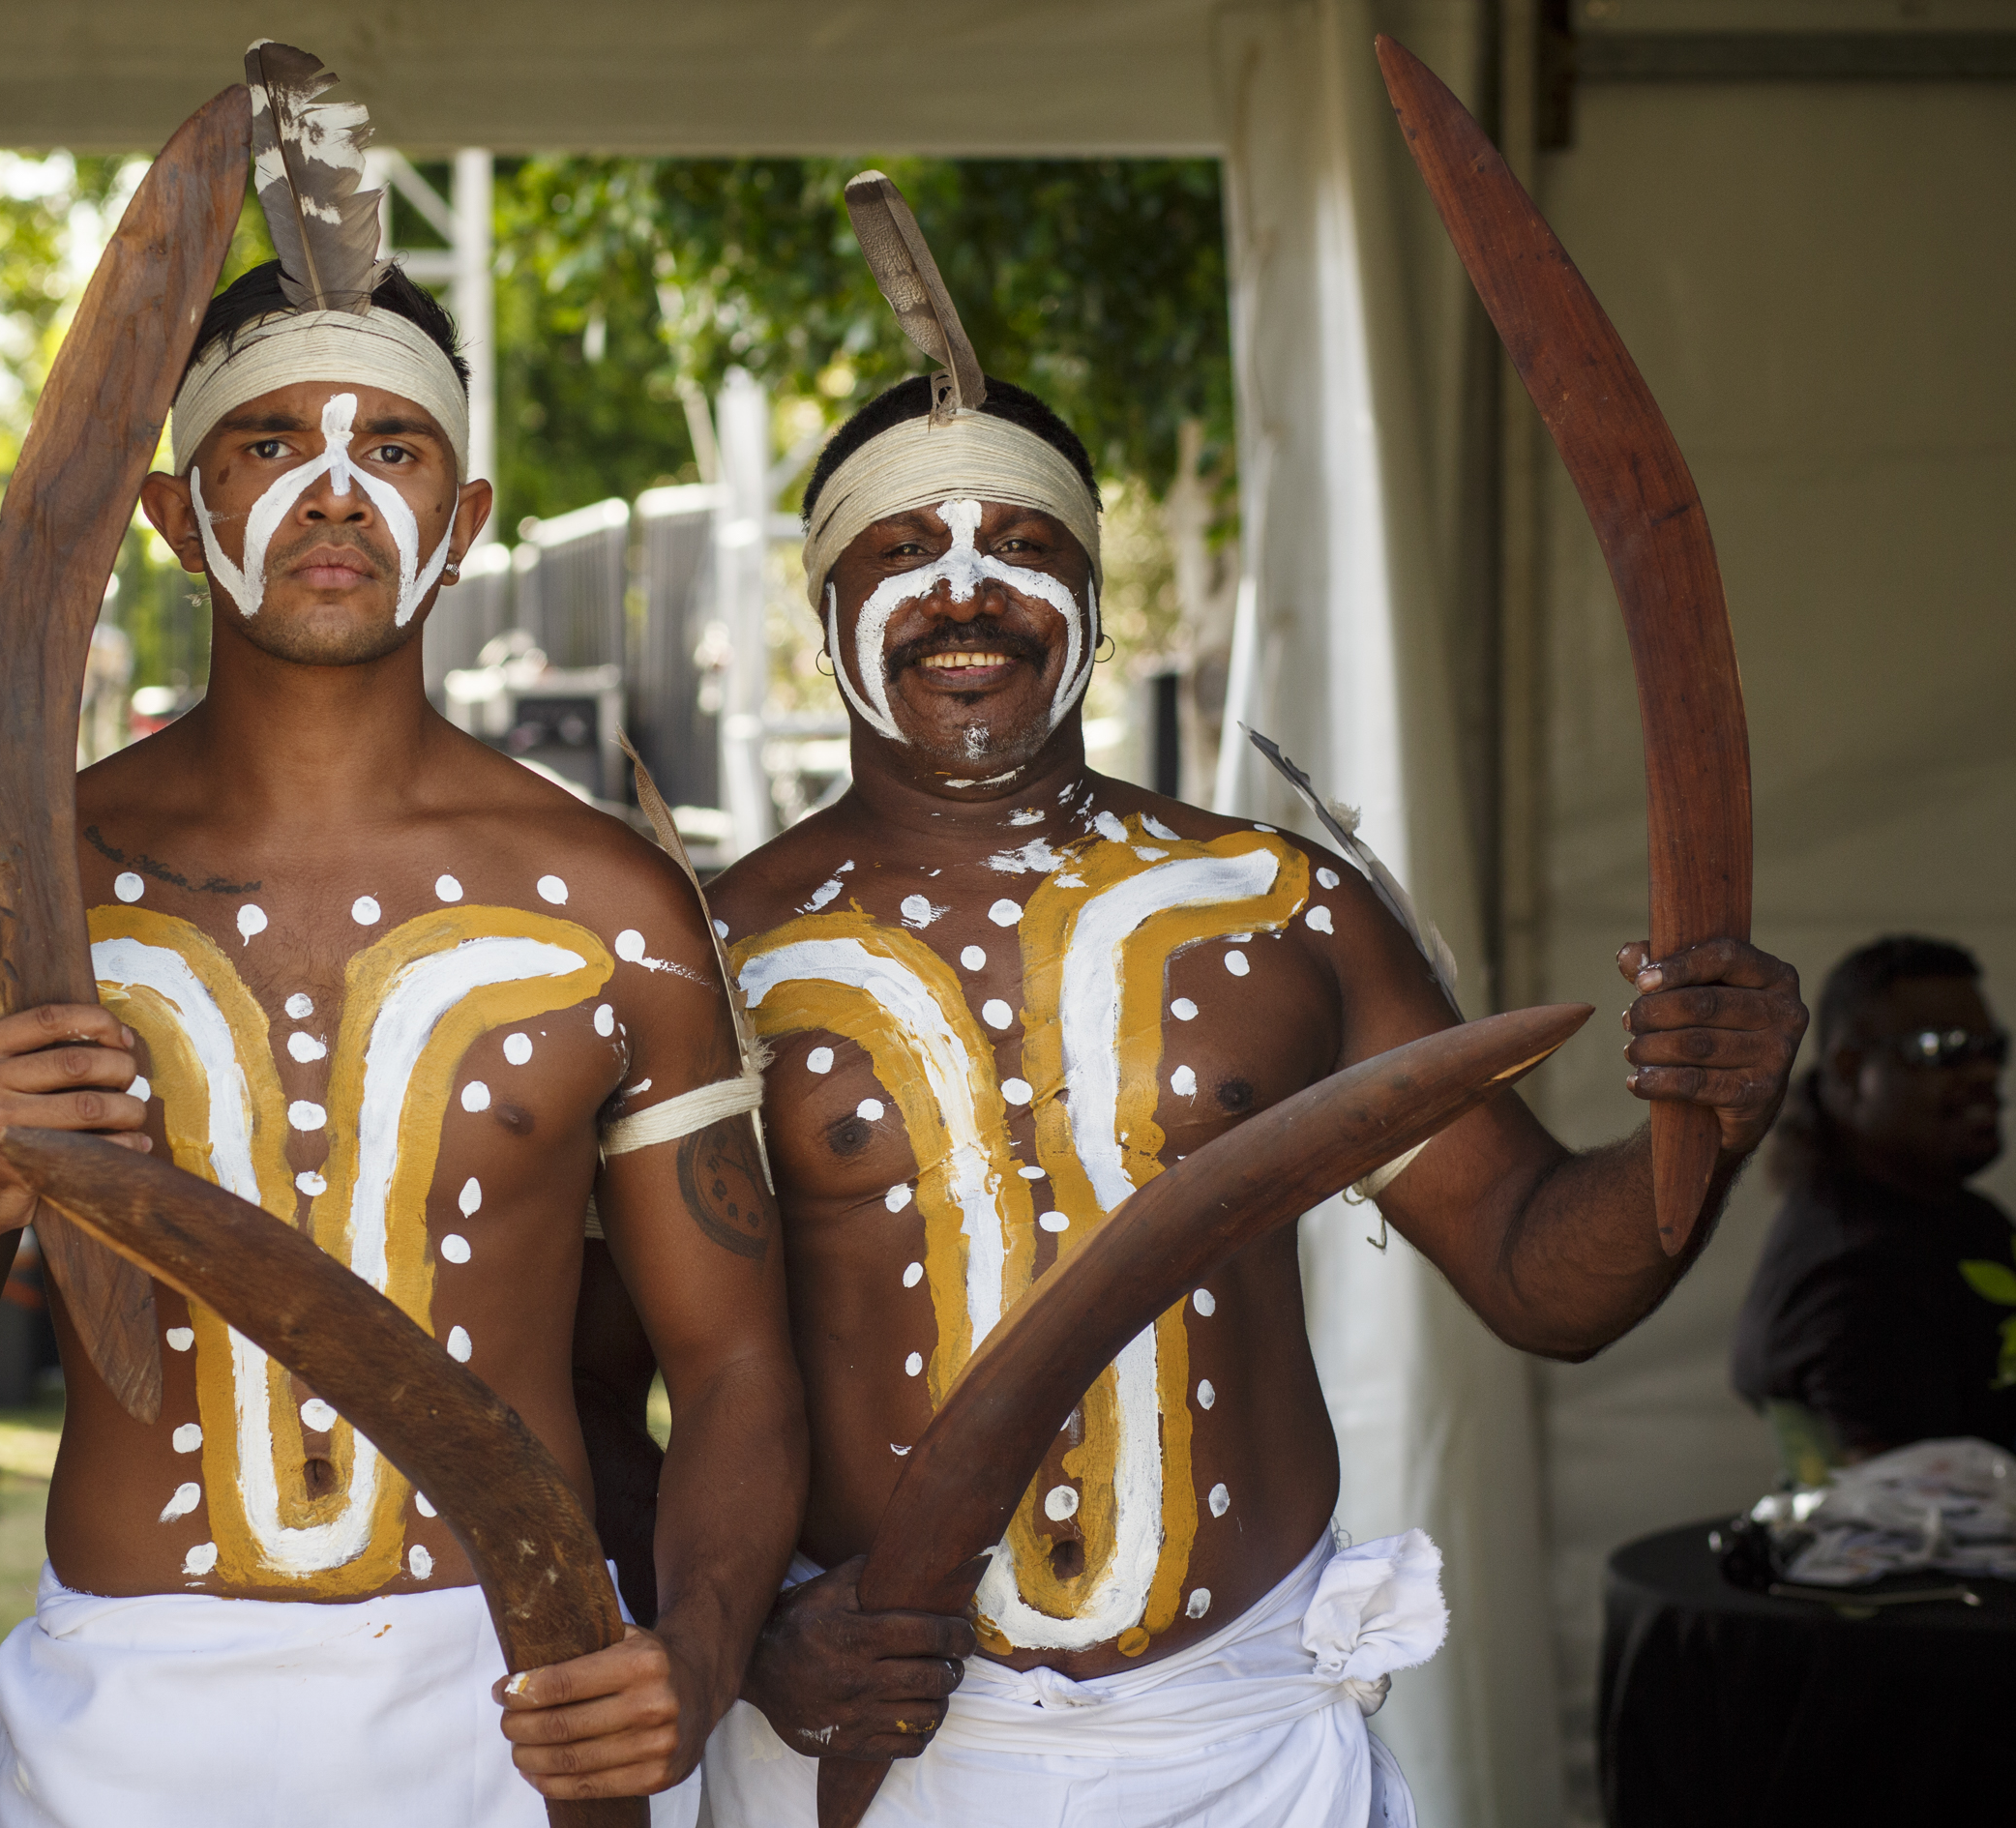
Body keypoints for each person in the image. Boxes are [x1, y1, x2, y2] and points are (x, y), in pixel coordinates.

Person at [680, 178, 1810, 1828]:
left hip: (1240, 1747)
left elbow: (1536, 1280)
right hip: (864, 1753)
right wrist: (753, 1636)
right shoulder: (708, 955)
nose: (968, 592)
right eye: (904, 550)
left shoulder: (1279, 913)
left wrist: (1707, 1118)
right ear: (827, 610)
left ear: (1097, 598)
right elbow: (586, 1393)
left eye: (1029, 547)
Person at [0, 60, 804, 1826]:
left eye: (393, 447)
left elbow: (733, 1366)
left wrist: (695, 1658)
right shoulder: (18, 882)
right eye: (271, 442)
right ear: (176, 516)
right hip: (127, 1717)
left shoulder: (614, 905)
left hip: (505, 1715)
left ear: (463, 523)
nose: (335, 495)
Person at [1732, 935, 2014, 1472]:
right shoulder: (1852, 1277)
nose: (1984, 1074)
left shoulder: (1952, 1218)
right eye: (1943, 1049)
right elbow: (1922, 1524)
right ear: (1848, 1071)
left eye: (1991, 1049)